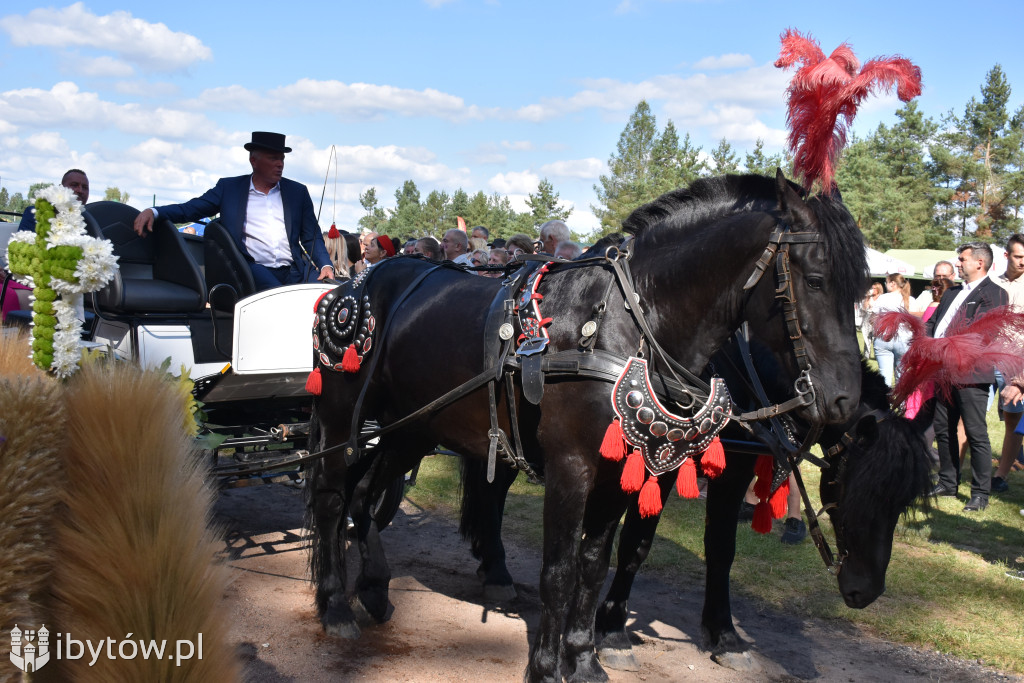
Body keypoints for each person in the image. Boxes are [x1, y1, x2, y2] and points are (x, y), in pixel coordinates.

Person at [133, 132, 334, 291]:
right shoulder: (229, 189)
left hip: (294, 269)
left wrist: (326, 265)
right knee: (277, 297)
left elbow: (311, 236)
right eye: (273, 158)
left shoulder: (297, 192)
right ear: (253, 161)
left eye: (282, 159)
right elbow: (190, 209)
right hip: (253, 268)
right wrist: (155, 212)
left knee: (331, 293)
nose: (280, 164)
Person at [927, 242, 1008, 511]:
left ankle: (980, 494)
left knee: (975, 433)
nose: (958, 263)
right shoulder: (952, 293)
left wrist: (944, 347)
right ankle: (948, 482)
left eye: (962, 259)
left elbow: (982, 334)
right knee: (944, 429)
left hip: (970, 373)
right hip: (942, 370)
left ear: (979, 263)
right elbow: (933, 323)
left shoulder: (995, 293)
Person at [991, 233, 1024, 493]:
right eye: (1018, 256)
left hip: (1017, 363)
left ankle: (1001, 475)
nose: (1023, 262)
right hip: (988, 358)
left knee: (1014, 421)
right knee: (969, 418)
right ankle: (952, 473)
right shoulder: (992, 283)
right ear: (1006, 255)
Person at [872, 273, 913, 388]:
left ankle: (884, 403)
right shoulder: (909, 300)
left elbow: (873, 318)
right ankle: (903, 404)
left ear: (893, 284)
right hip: (904, 339)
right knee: (902, 376)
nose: (885, 285)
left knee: (884, 377)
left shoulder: (883, 298)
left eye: (886, 282)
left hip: (883, 338)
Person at [19, 168, 90, 232]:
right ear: (60, 188)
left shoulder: (90, 221)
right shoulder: (36, 214)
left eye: (85, 187)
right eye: (74, 185)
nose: (80, 190)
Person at [859, 282, 882, 360]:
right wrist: (867, 298)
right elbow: (864, 308)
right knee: (866, 336)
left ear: (878, 289)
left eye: (874, 288)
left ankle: (877, 355)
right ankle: (866, 355)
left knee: (876, 337)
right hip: (868, 317)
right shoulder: (869, 297)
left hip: (877, 318)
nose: (872, 290)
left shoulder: (882, 297)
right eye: (872, 288)